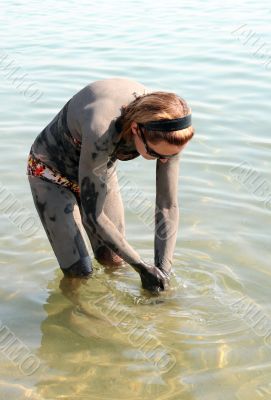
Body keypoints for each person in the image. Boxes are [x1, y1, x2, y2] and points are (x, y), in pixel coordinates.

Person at [27, 77, 194, 292]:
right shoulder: (102, 130)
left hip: (99, 171)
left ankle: (111, 317)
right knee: (79, 273)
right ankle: (74, 316)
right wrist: (142, 267)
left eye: (171, 156)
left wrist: (162, 271)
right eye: (154, 153)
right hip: (51, 175)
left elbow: (167, 206)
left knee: (114, 260)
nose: (164, 161)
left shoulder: (169, 130)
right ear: (136, 129)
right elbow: (93, 216)